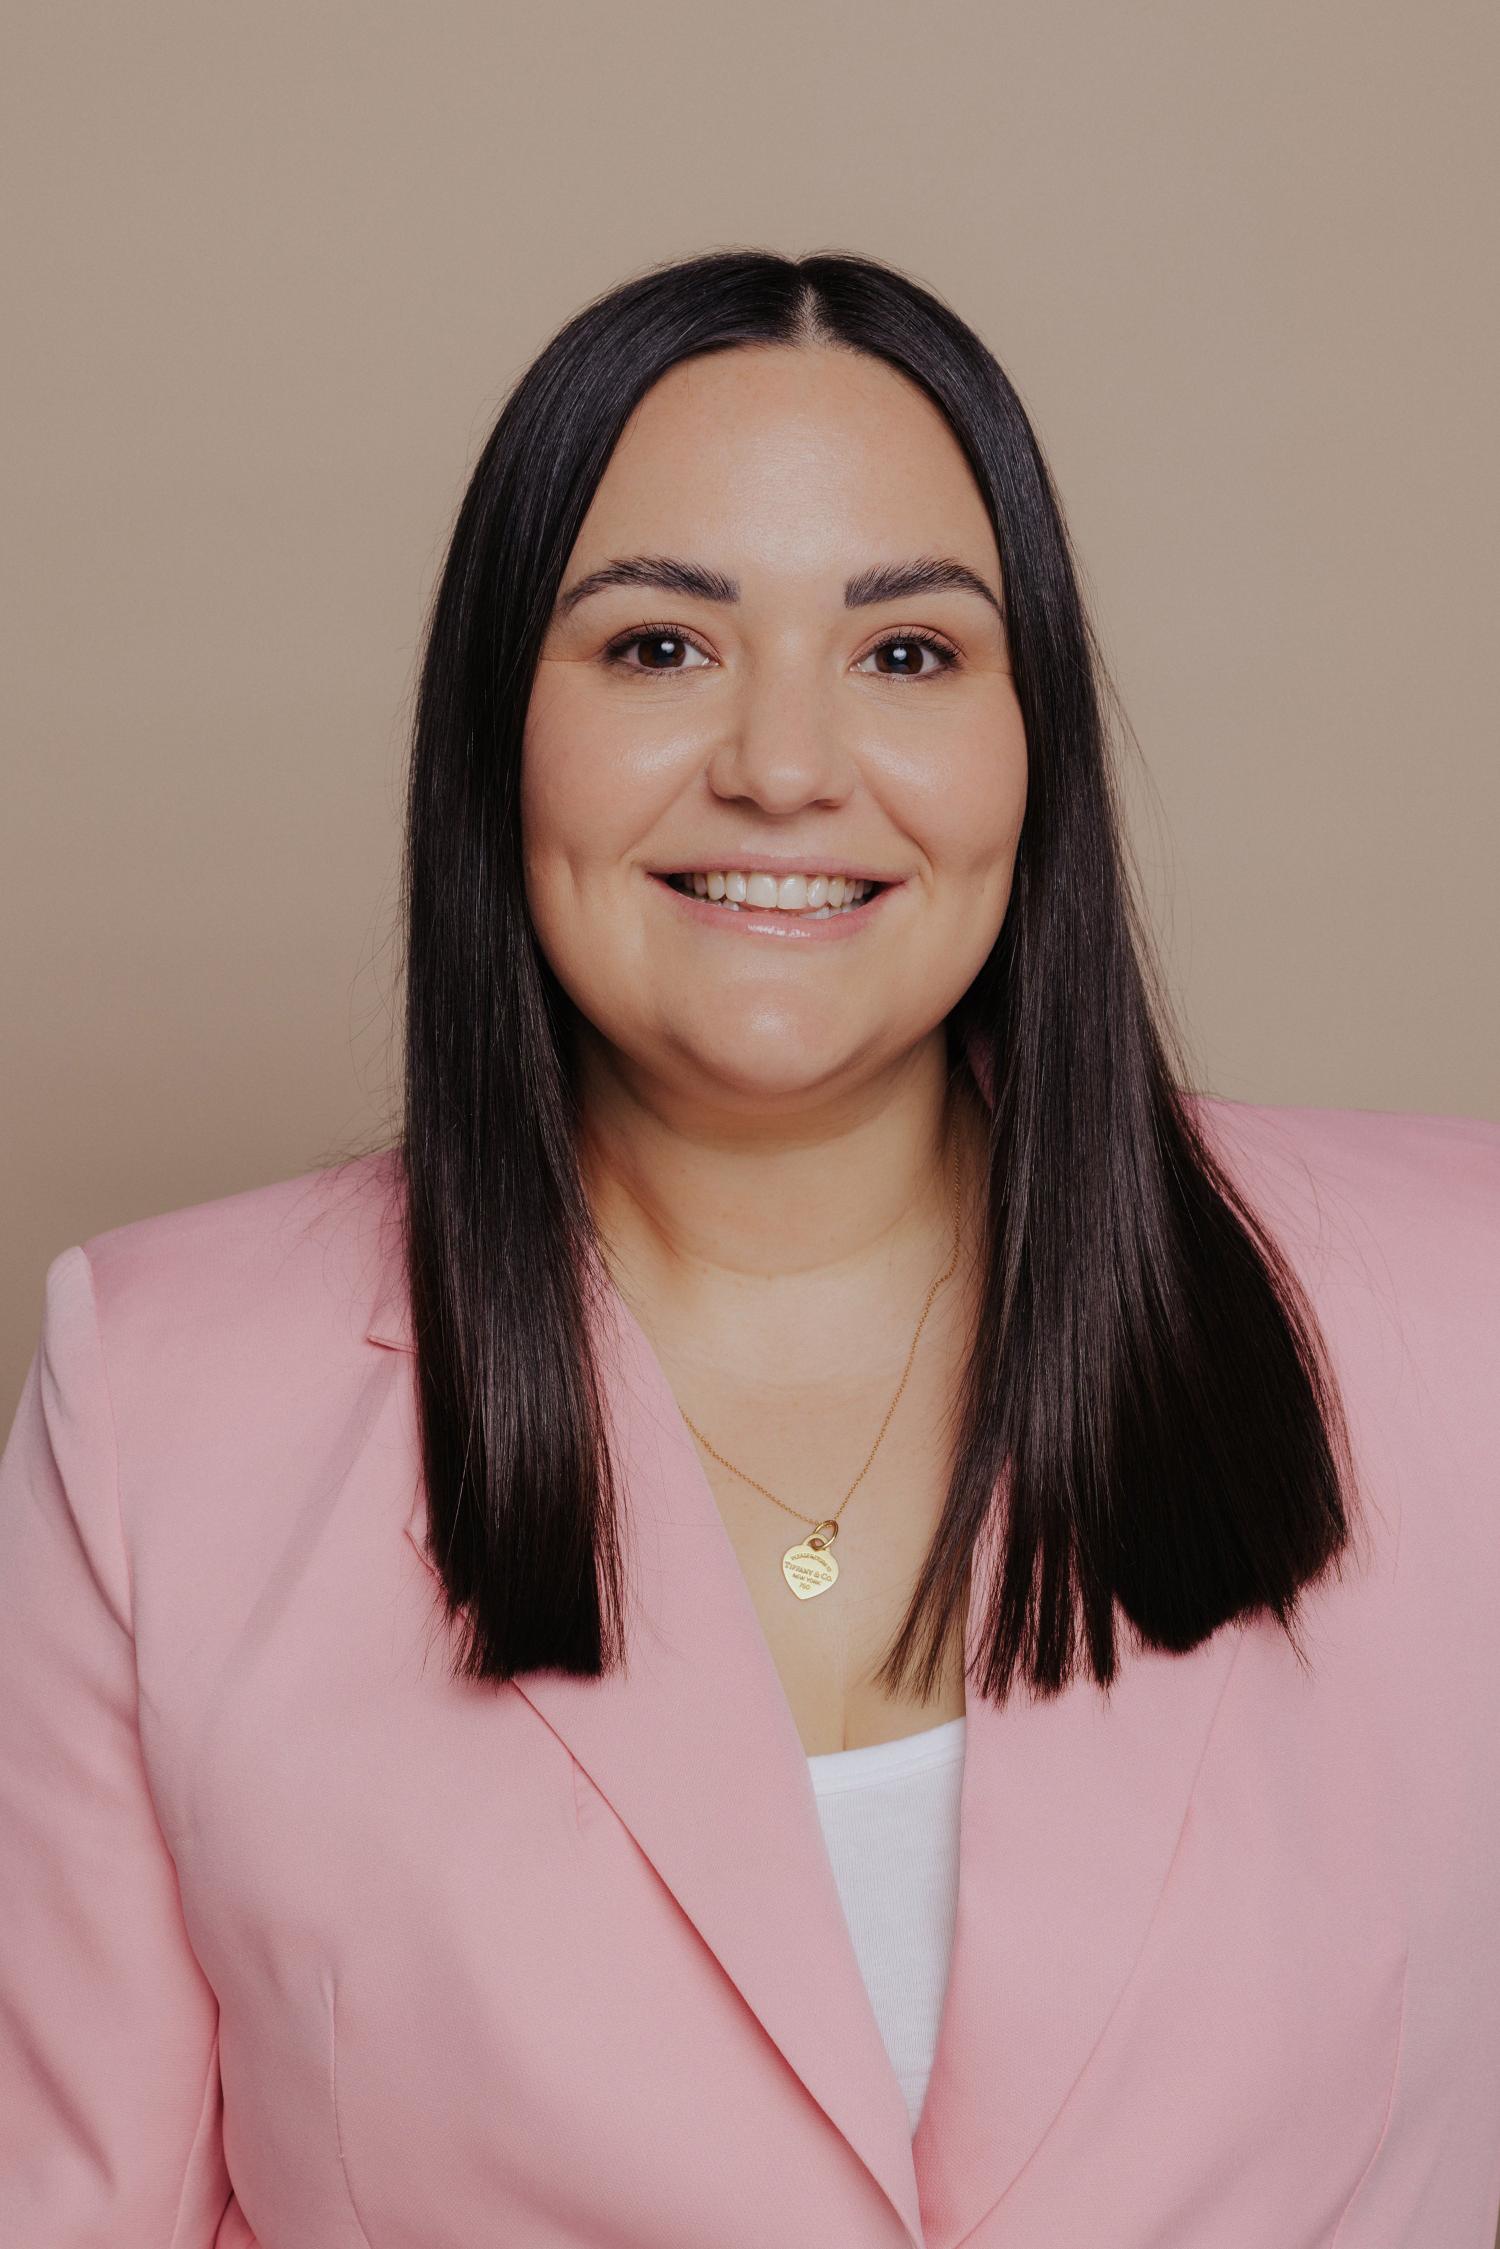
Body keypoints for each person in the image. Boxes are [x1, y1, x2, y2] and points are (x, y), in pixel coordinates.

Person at [1, 248, 1496, 2249]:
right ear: (492, 734)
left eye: (906, 655)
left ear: (1031, 740)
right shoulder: (158, 1399)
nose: (785, 764)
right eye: (654, 649)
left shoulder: (1462, 1302)